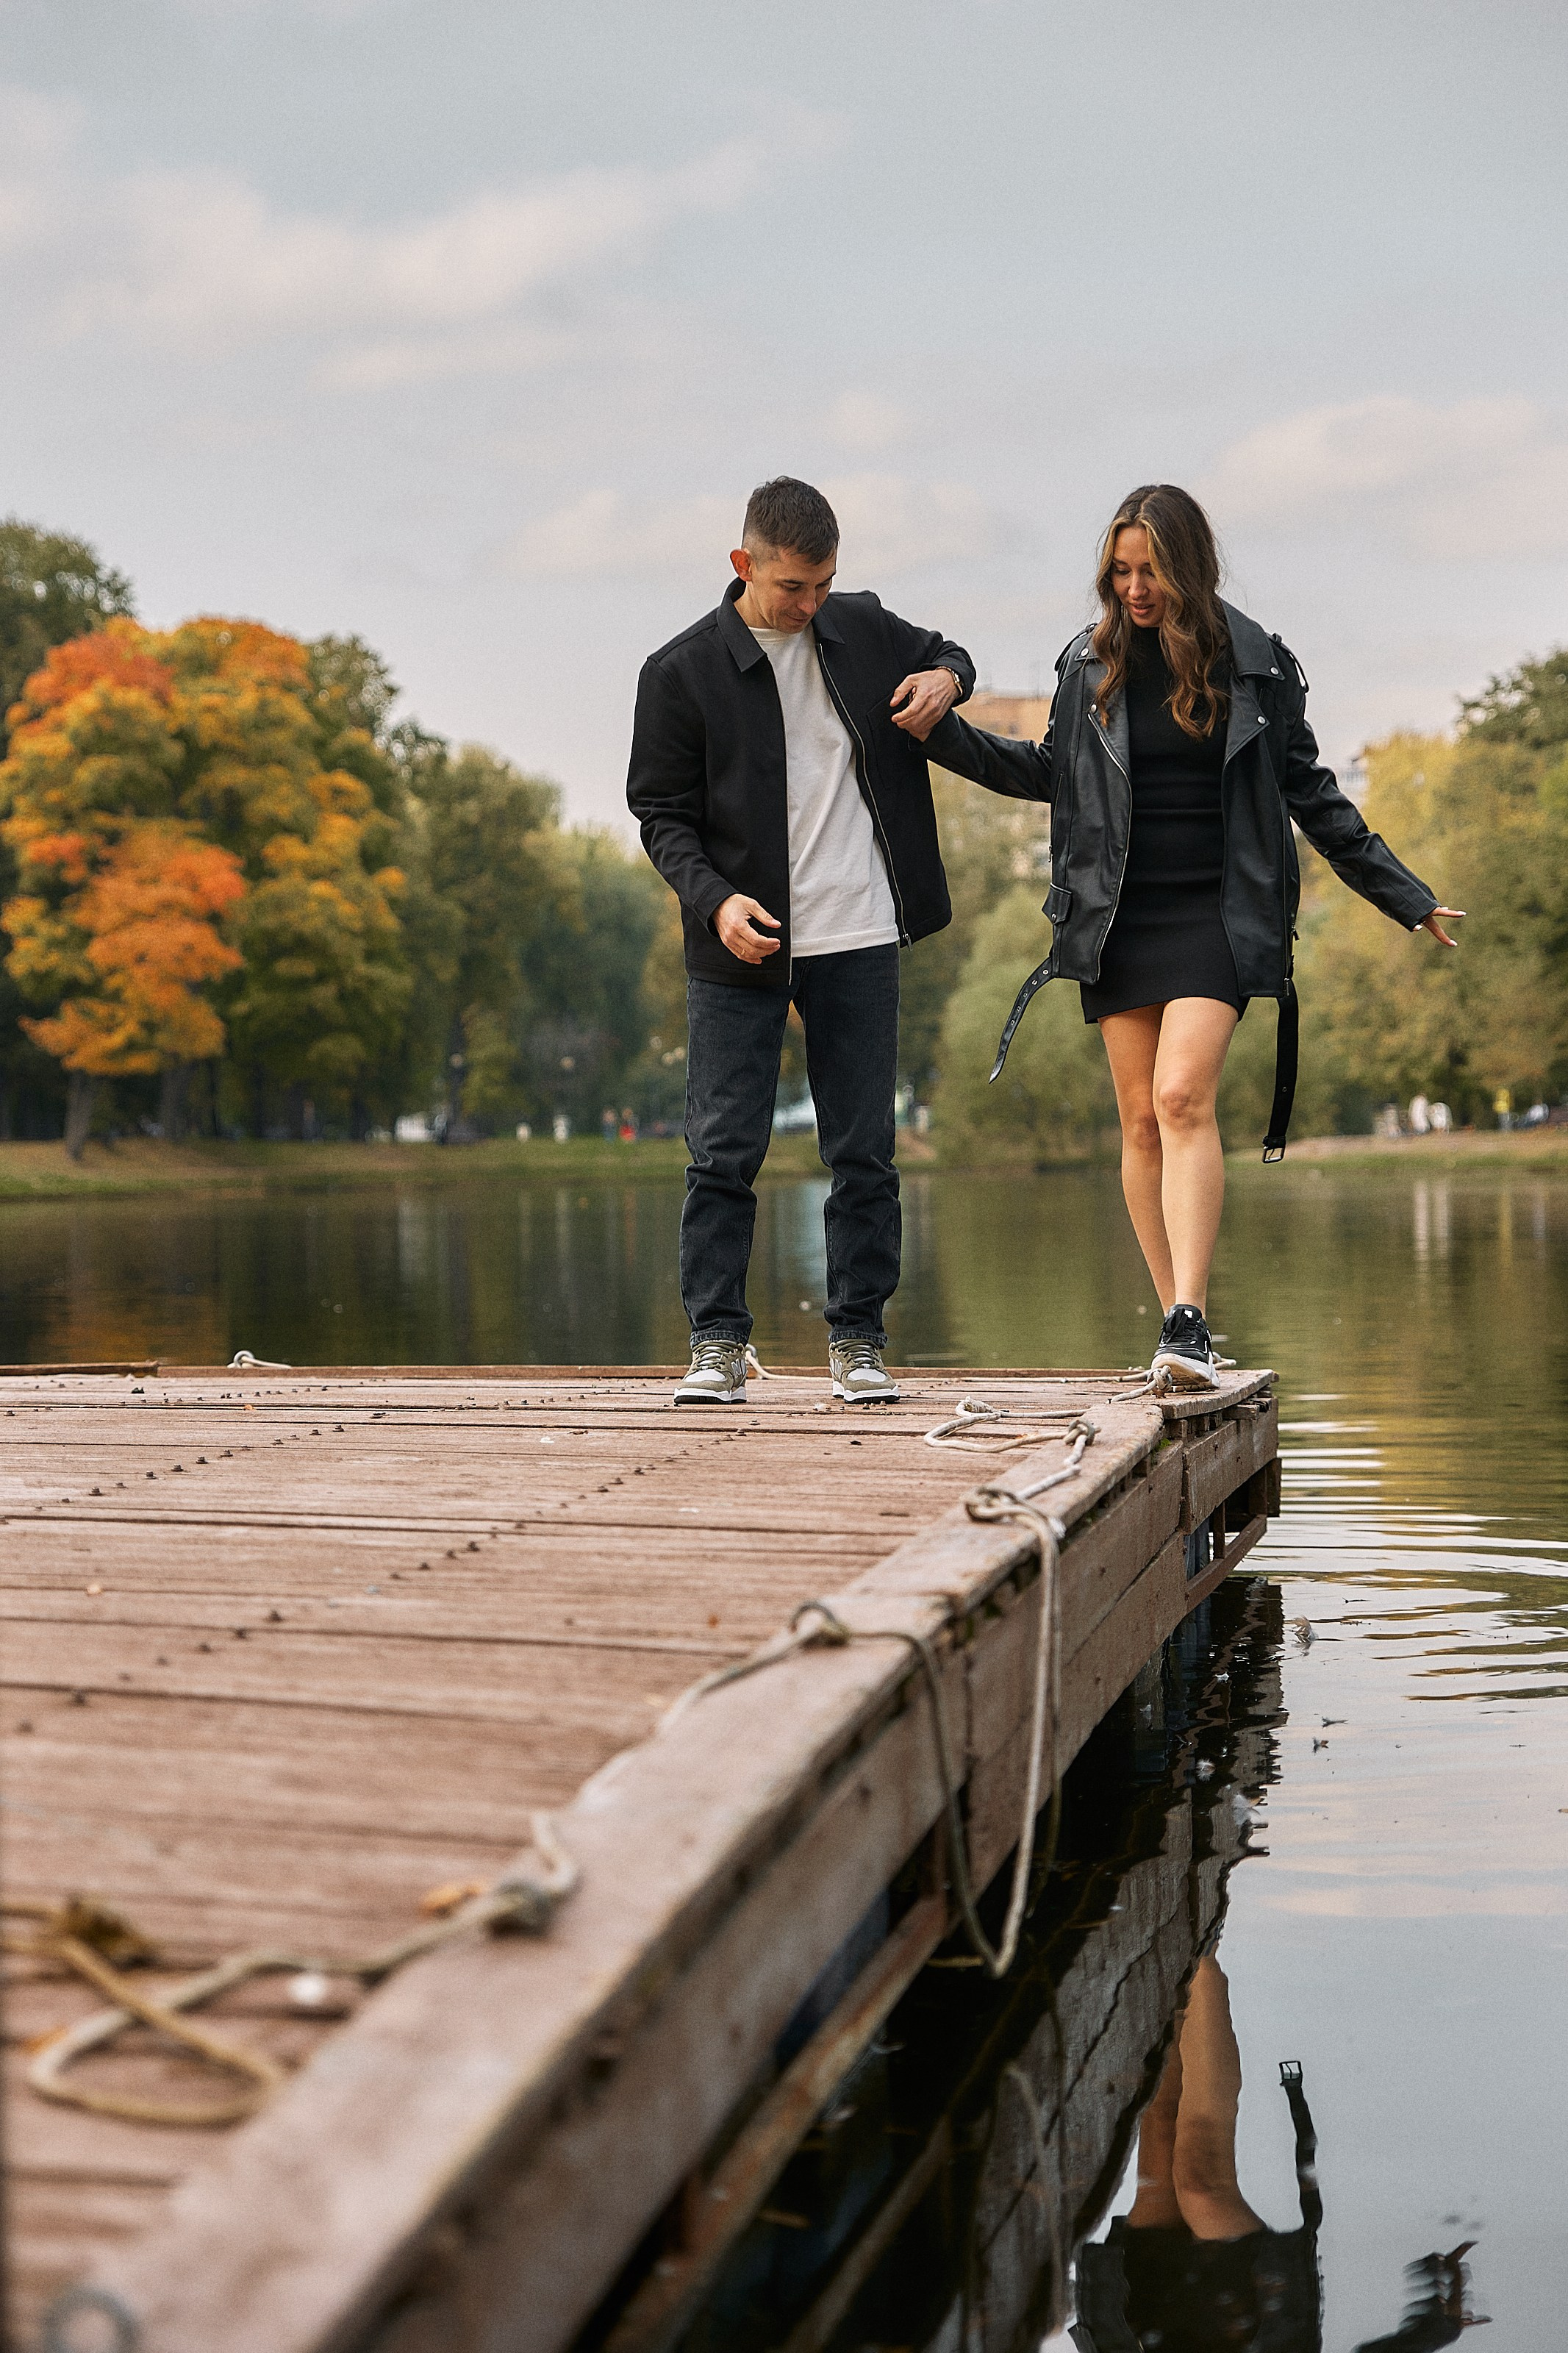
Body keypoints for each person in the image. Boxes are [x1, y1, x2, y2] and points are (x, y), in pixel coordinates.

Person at [928, 485, 1464, 1390]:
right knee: (1139, 1120)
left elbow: (1312, 792)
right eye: (1121, 571)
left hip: (1220, 910)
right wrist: (936, 735)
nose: (1135, 589)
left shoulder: (1254, 667)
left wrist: (1404, 894)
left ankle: (1191, 1315)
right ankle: (1176, 1329)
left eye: (1152, 571)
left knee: (1182, 1098)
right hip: (1119, 915)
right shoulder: (1087, 664)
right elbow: (1045, 773)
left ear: (1189, 568)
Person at [627, 476, 975, 1404]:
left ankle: (858, 1338)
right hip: (742, 938)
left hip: (857, 925)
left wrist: (949, 677)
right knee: (722, 1148)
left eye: (823, 583)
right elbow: (660, 814)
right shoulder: (679, 672)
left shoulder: (857, 624)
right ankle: (716, 1340)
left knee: (863, 1148)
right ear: (743, 565)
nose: (811, 605)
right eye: (792, 588)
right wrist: (714, 902)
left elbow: (948, 653)